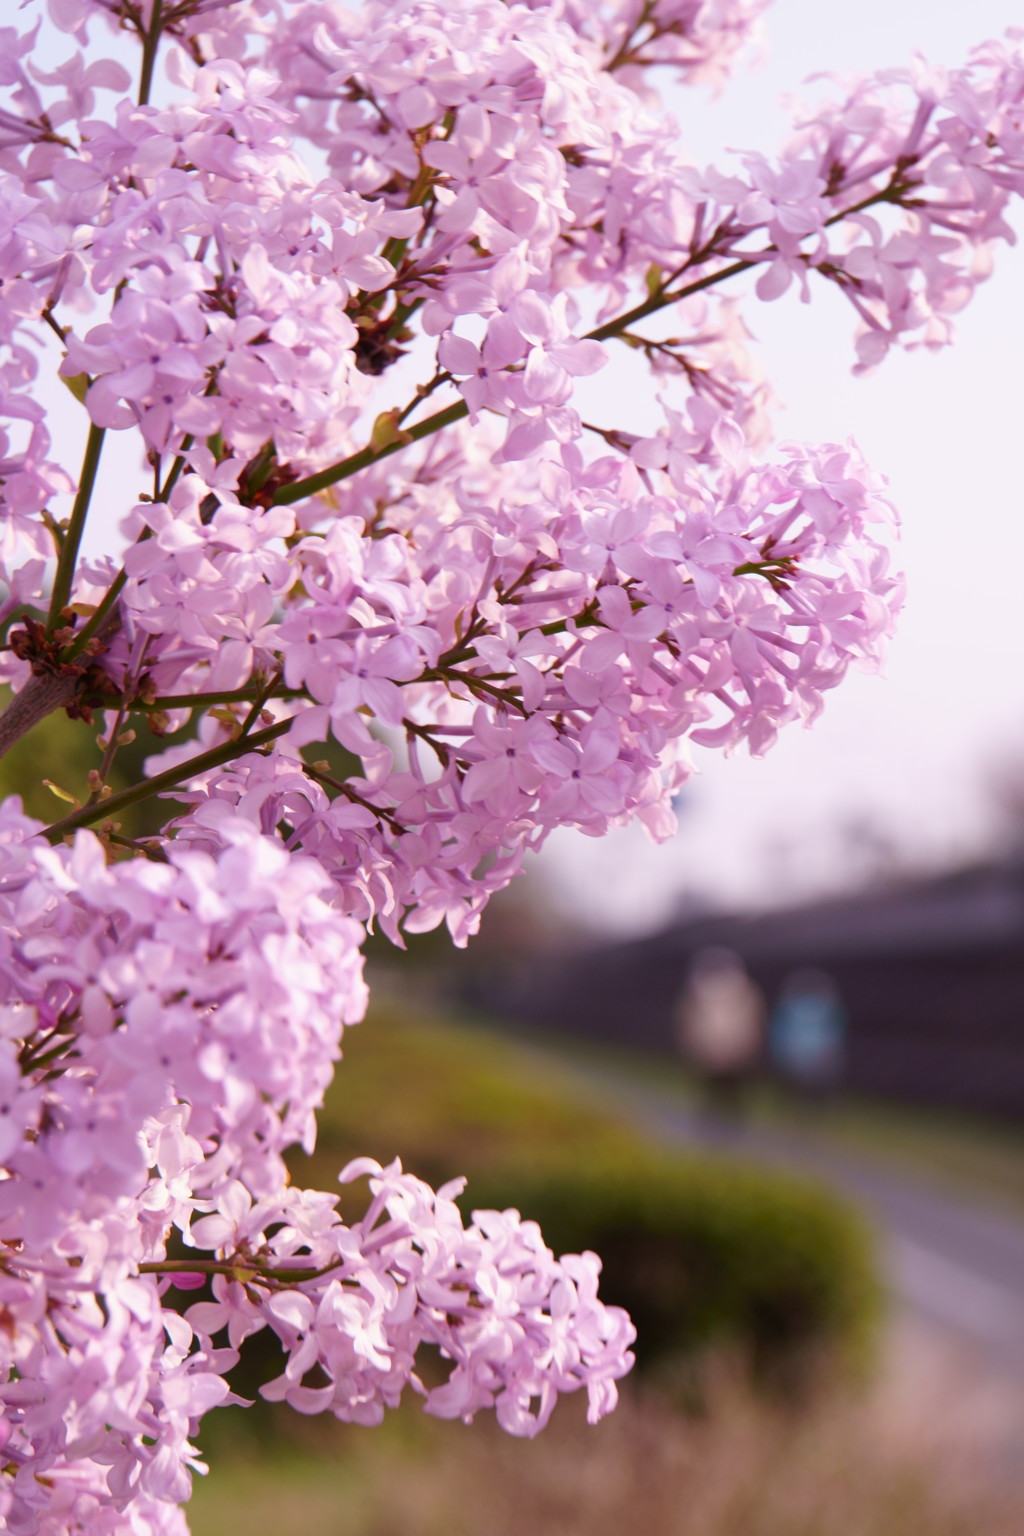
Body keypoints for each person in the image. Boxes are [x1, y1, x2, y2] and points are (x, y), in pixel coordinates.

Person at [674, 947, 764, 1116]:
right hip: (713, 1049)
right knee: (712, 1087)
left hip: (730, 1050)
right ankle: (714, 1121)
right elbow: (689, 1022)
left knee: (730, 1088)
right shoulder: (698, 993)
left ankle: (726, 1121)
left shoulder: (745, 993)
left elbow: (751, 1023)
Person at [768, 968, 847, 1099]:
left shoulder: (825, 1006)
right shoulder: (791, 1006)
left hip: (813, 1053)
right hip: (800, 1053)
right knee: (801, 1086)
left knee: (815, 1085)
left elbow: (836, 1030)